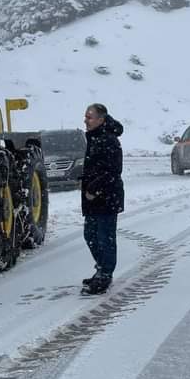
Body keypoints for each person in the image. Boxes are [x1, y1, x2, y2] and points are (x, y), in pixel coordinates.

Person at [80, 103, 124, 295]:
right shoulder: (94, 138)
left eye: (89, 117)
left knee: (105, 237)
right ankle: (101, 268)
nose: (85, 120)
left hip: (106, 197)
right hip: (92, 198)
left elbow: (112, 171)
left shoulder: (109, 140)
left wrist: (94, 188)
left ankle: (105, 274)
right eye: (85, 116)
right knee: (90, 235)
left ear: (101, 119)